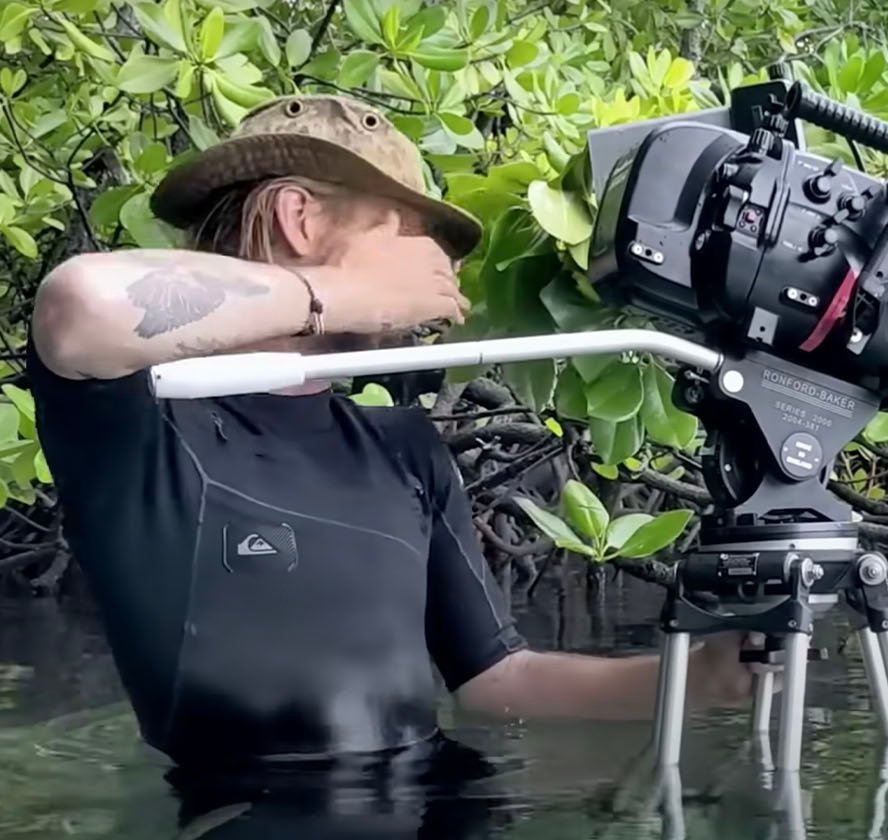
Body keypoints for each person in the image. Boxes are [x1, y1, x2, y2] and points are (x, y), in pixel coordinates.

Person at [26, 94, 759, 783]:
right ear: (300, 219)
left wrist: (700, 677)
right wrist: (347, 293)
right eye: (406, 232)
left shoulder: (403, 446)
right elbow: (79, 305)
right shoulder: (141, 422)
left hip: (441, 803)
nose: (439, 263)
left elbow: (500, 681)